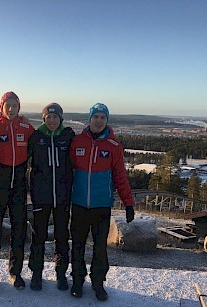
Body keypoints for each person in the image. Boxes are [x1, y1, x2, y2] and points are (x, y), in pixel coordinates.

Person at [69, 102, 135, 302]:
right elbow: (66, 171)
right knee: (78, 245)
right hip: (79, 204)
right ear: (89, 119)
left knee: (100, 248)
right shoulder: (77, 141)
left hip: (101, 205)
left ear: (106, 120)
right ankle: (77, 281)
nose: (98, 121)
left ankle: (98, 284)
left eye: (102, 117)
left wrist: (128, 203)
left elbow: (120, 177)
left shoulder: (114, 146)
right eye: (95, 117)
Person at [0, 91, 35, 295]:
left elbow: (40, 144)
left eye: (15, 105)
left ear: (19, 107)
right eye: (8, 105)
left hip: (18, 188)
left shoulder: (26, 127)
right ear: (2, 107)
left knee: (19, 230)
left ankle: (15, 272)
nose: (11, 109)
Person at [27, 103, 75, 291]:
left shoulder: (68, 136)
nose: (52, 120)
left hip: (62, 197)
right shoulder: (36, 137)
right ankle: (36, 274)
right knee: (38, 237)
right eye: (49, 117)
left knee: (62, 237)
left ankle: (61, 274)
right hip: (41, 197)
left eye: (55, 117)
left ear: (60, 119)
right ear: (44, 119)